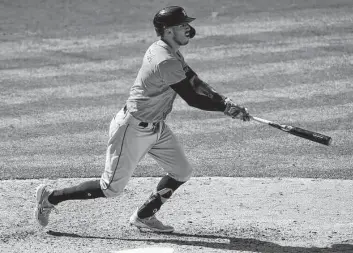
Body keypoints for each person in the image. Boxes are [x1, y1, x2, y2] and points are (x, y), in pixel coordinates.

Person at [35, 6, 250, 233]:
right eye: (182, 25)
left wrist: (224, 100)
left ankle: (144, 216)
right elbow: (191, 98)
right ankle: (51, 197)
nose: (188, 28)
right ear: (168, 31)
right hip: (132, 129)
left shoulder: (167, 49)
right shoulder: (165, 59)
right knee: (110, 189)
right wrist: (224, 108)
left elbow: (194, 80)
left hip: (156, 127)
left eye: (187, 23)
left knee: (182, 171)